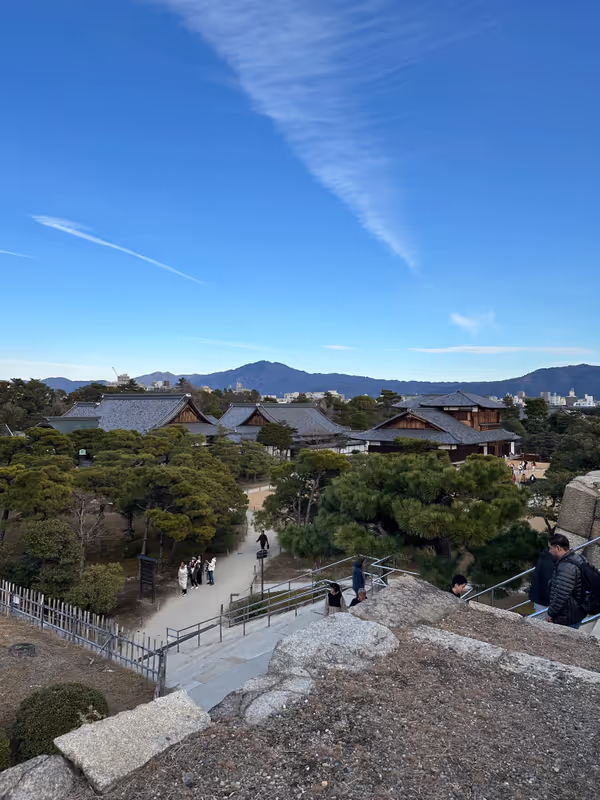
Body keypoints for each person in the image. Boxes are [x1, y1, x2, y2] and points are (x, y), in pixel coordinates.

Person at [547, 534, 586, 628]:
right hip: (576, 612)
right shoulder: (579, 558)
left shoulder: (566, 568)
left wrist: (550, 613)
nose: (549, 551)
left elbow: (561, 595)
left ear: (558, 548)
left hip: (566, 616)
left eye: (550, 548)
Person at [529, 547, 554, 613]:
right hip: (543, 600)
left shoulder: (544, 557)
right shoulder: (550, 561)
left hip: (538, 598)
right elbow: (547, 582)